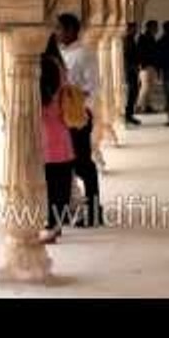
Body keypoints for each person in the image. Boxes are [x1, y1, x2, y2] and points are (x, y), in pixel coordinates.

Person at [55, 12, 103, 228]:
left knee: (83, 164)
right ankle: (67, 209)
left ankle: (94, 210)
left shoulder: (84, 54)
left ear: (71, 30)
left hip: (78, 117)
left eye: (60, 29)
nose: (57, 33)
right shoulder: (59, 54)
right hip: (60, 119)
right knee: (64, 166)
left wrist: (72, 97)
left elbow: (93, 87)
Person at [39, 34, 75, 243]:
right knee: (60, 180)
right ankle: (56, 223)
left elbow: (44, 97)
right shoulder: (57, 63)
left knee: (53, 182)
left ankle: (52, 225)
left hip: (48, 129)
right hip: (59, 128)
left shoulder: (46, 65)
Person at [135, 20, 159, 114]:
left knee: (150, 87)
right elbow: (139, 52)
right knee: (145, 87)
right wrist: (141, 64)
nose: (156, 29)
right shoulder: (143, 38)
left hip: (151, 65)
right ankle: (138, 106)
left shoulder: (151, 38)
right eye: (155, 27)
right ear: (150, 27)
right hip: (145, 65)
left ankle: (148, 106)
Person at [122, 21, 141, 126]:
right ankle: (127, 115)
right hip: (129, 70)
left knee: (133, 92)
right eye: (134, 28)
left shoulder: (131, 39)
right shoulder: (127, 40)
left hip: (132, 69)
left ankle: (129, 115)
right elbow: (127, 56)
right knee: (131, 92)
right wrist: (133, 67)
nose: (135, 30)